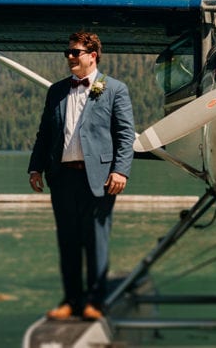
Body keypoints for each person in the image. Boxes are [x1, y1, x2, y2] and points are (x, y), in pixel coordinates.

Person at [27, 31, 136, 321]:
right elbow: (45, 134)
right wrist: (35, 167)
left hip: (99, 179)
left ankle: (96, 303)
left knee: (97, 241)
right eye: (68, 53)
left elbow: (125, 136)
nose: (70, 57)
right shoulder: (56, 91)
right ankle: (72, 301)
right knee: (68, 241)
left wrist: (120, 170)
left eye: (75, 52)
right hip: (62, 179)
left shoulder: (114, 89)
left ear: (93, 55)